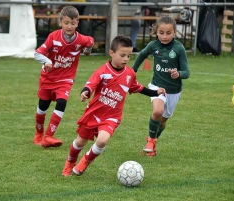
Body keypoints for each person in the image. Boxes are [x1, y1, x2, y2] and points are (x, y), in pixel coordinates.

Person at [61, 35, 166, 176]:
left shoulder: (129, 74)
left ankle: (86, 160)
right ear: (112, 53)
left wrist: (155, 91)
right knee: (80, 141)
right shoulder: (103, 71)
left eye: (128, 56)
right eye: (122, 55)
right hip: (94, 112)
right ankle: (70, 162)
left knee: (102, 140)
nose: (126, 59)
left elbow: (137, 87)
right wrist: (85, 92)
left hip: (112, 116)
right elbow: (90, 84)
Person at [33, 6, 94, 148]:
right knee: (43, 107)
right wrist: (47, 61)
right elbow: (37, 53)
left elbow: (90, 41)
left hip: (65, 79)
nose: (69, 26)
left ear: (77, 23)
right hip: (48, 78)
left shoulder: (80, 39)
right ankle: (38, 134)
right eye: (66, 23)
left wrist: (87, 50)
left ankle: (48, 136)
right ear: (60, 22)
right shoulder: (53, 37)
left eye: (73, 23)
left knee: (62, 102)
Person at [132, 15, 190, 157]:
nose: (164, 36)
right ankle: (151, 141)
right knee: (157, 111)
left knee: (163, 121)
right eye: (161, 33)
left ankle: (153, 141)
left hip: (174, 91)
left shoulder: (179, 48)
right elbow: (141, 55)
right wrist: (132, 71)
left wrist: (179, 74)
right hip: (157, 86)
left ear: (174, 32)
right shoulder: (153, 45)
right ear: (156, 32)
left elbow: (187, 72)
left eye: (168, 33)